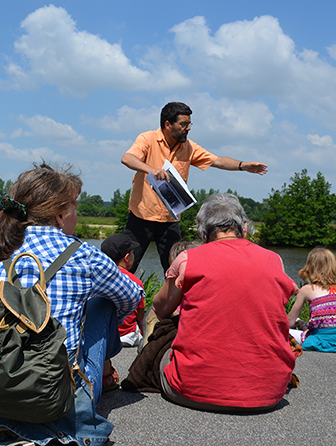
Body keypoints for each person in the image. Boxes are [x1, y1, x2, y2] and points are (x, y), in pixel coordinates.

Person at [0, 163, 142, 446]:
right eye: (75, 207)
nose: (76, 214)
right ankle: (102, 378)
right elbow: (131, 297)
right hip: (50, 396)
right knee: (103, 305)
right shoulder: (84, 255)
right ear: (60, 214)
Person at [153, 193, 298, 412]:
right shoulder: (274, 260)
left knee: (158, 337)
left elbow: (161, 309)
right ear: (245, 228)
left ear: (203, 233)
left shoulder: (189, 258)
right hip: (268, 393)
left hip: (192, 391)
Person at [121, 101, 268, 273]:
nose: (188, 128)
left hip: (170, 220)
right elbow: (127, 158)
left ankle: (176, 300)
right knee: (125, 267)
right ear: (168, 124)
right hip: (141, 217)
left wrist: (243, 165)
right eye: (184, 124)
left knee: (177, 270)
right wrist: (151, 170)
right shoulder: (147, 138)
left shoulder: (189, 147)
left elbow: (217, 160)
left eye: (189, 124)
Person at [100, 233, 145, 348]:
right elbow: (140, 316)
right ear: (127, 257)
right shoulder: (135, 282)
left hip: (104, 333)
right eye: (133, 253)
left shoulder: (99, 278)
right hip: (127, 335)